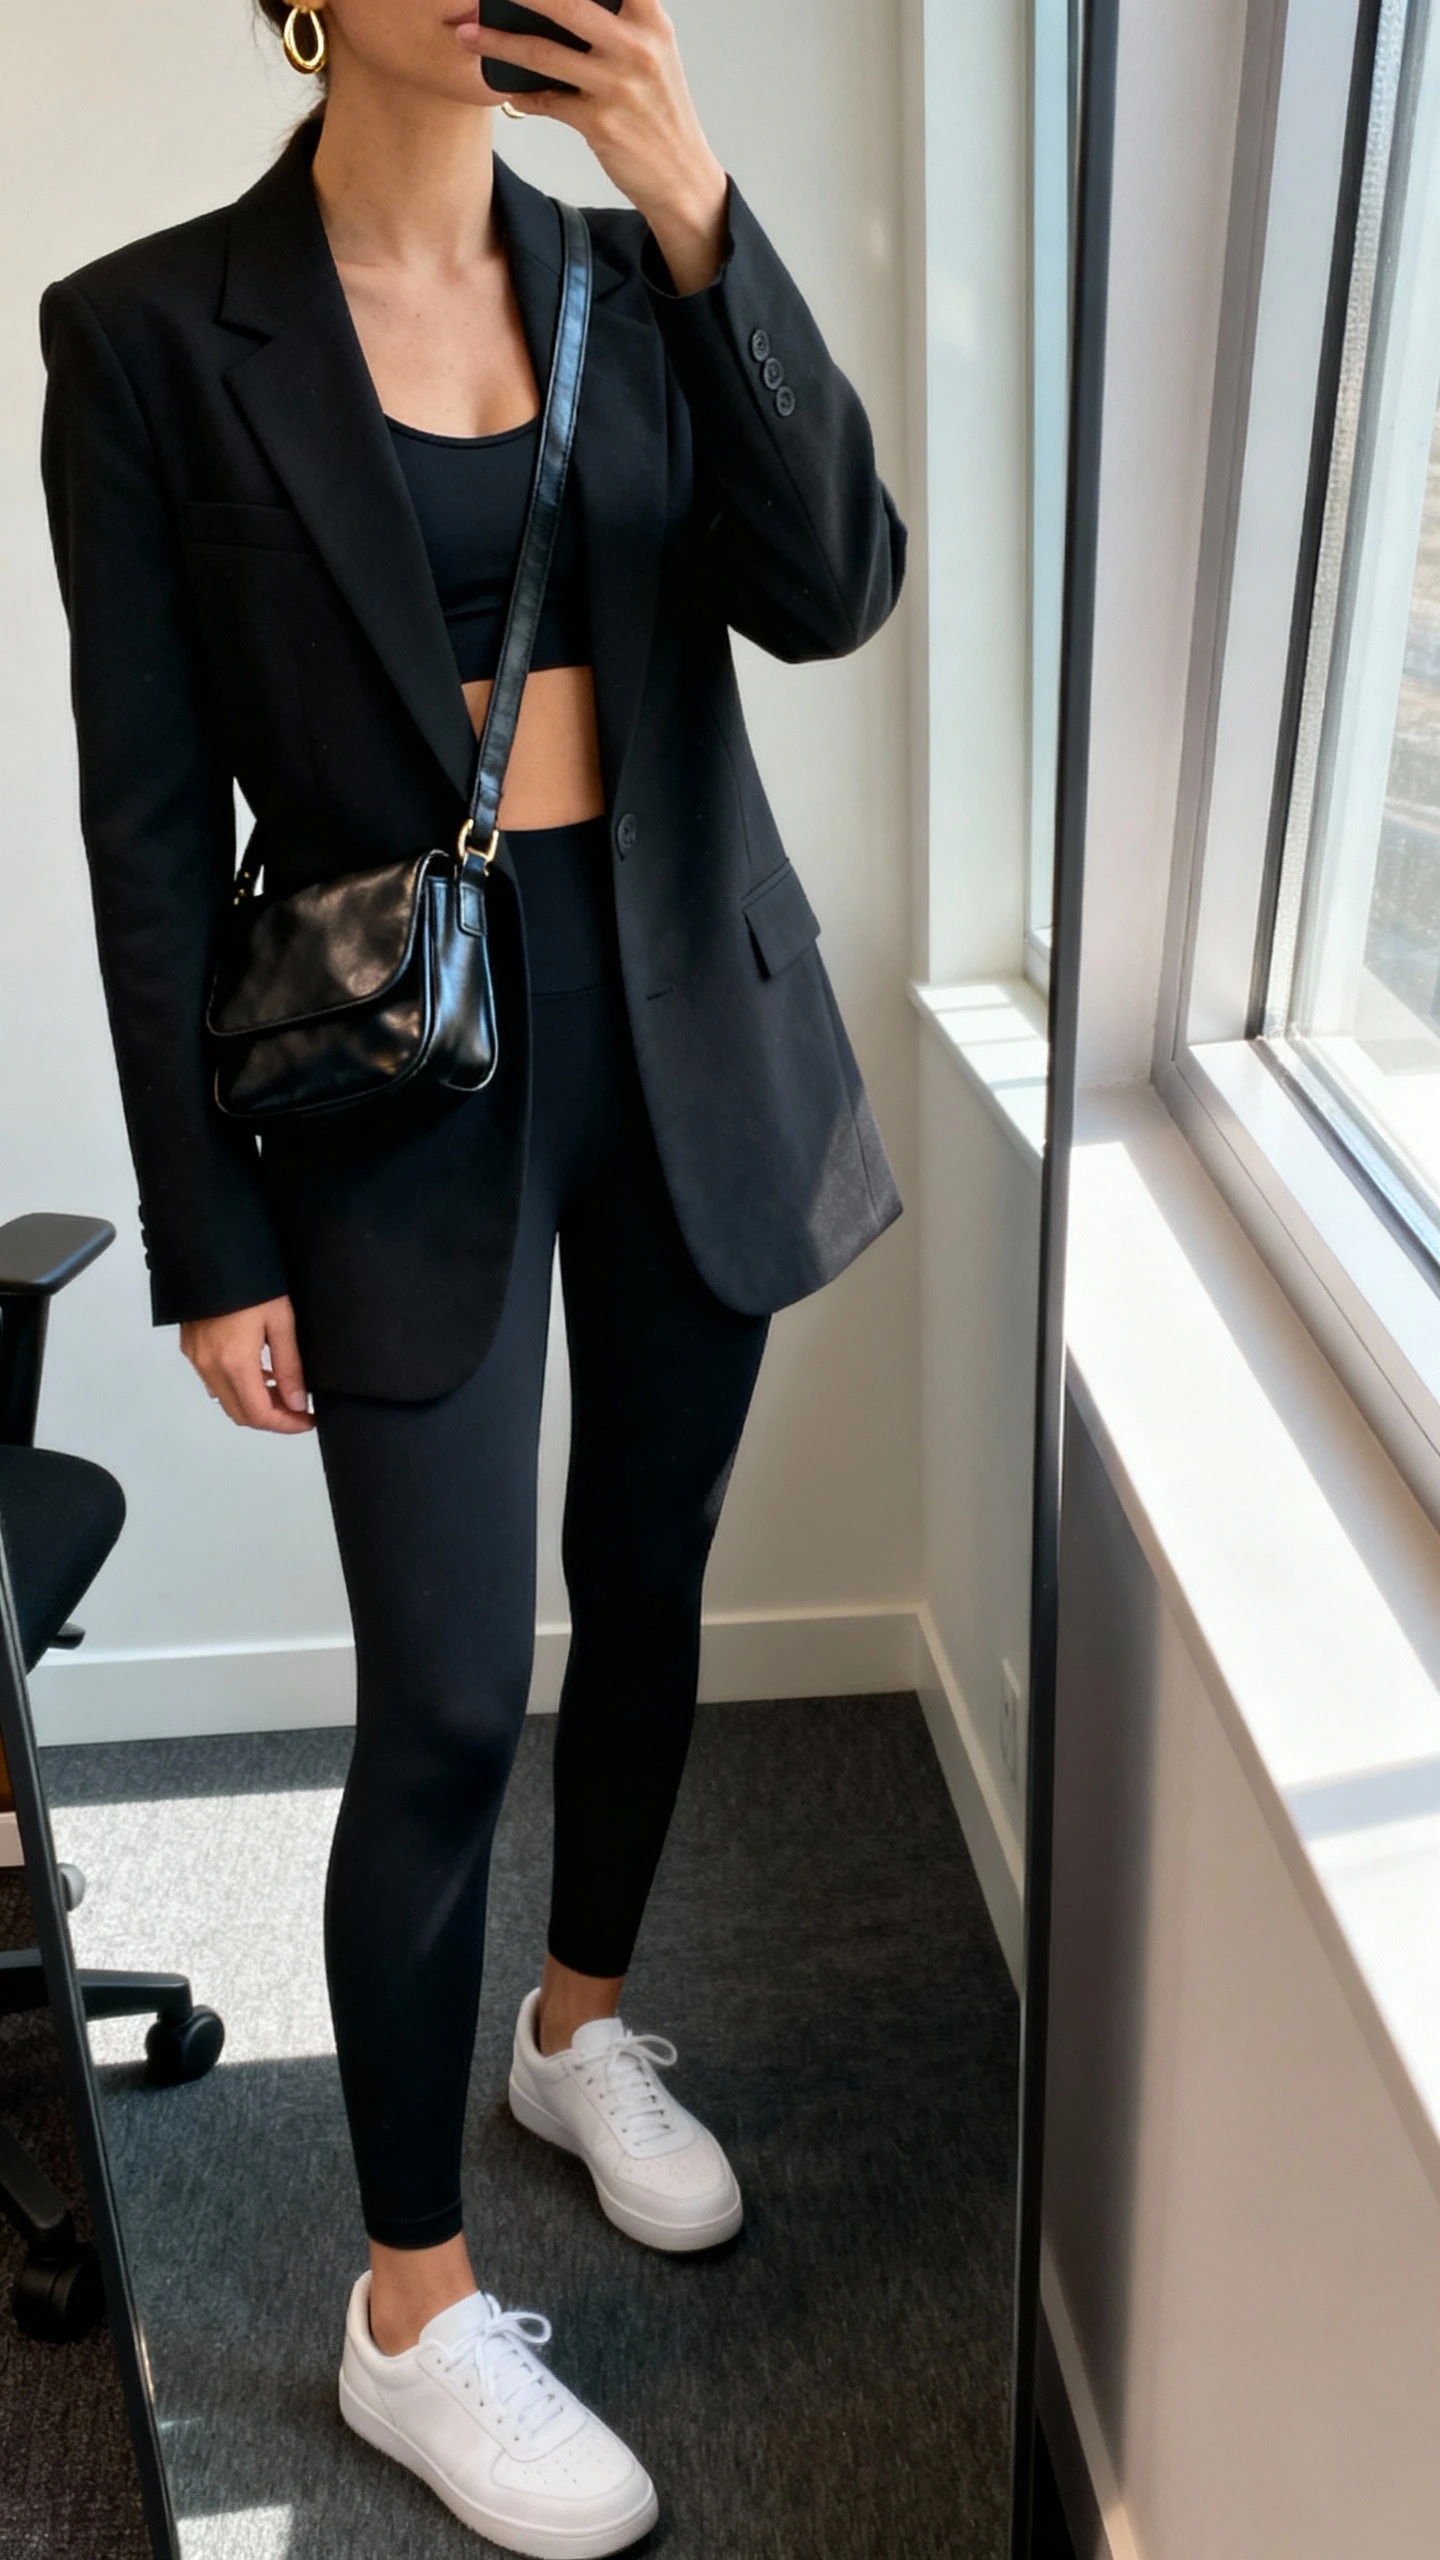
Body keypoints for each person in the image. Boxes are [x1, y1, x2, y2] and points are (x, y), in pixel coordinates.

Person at [39, 1, 904, 2548]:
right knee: (436, 1692)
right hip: (391, 1083)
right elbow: (133, 819)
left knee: (647, 1580)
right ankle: (407, 2307)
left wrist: (683, 171)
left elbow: (836, 581)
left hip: (680, 1022)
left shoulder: (648, 278)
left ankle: (583, 2029)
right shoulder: (142, 332)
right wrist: (207, 1234)